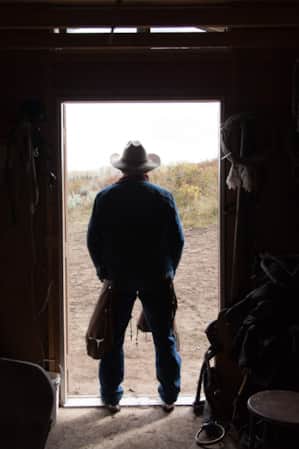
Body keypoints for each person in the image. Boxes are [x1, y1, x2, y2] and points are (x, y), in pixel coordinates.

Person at [87, 140, 184, 413]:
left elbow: (93, 239)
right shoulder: (163, 196)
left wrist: (102, 270)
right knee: (164, 337)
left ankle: (111, 397)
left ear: (123, 170)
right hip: (156, 275)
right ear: (146, 170)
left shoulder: (105, 197)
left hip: (119, 276)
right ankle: (169, 395)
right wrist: (169, 270)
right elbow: (177, 240)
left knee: (112, 337)